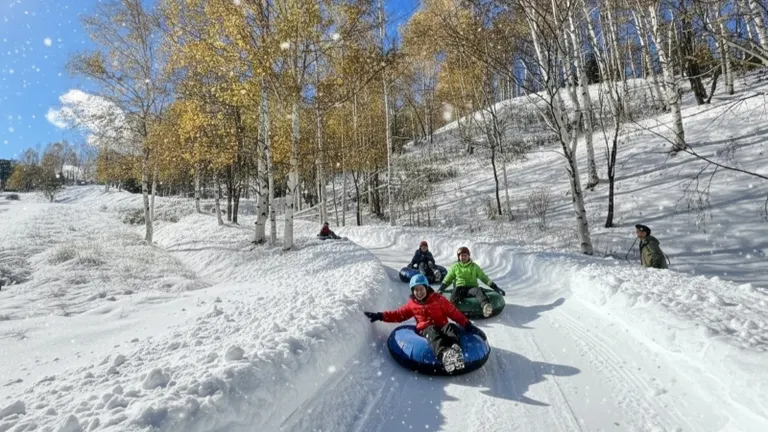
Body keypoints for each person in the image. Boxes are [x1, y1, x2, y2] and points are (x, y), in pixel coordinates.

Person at [364, 273, 487, 373]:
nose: (419, 292)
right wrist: (380, 316)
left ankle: (455, 348)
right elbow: (398, 314)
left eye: (421, 289)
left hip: (442, 325)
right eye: (416, 290)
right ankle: (444, 354)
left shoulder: (439, 300)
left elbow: (454, 312)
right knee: (432, 332)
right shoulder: (412, 304)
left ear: (427, 288)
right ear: (413, 291)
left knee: (451, 327)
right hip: (426, 329)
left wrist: (467, 324)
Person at [439, 246, 505, 318]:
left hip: (472, 288)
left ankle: (486, 307)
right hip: (460, 287)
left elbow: (484, 277)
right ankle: (452, 309)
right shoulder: (455, 267)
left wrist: (495, 287)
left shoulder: (474, 266)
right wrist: (441, 288)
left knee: (479, 291)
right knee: (455, 293)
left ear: (468, 256)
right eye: (461, 256)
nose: (463, 257)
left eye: (465, 255)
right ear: (458, 257)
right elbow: (448, 279)